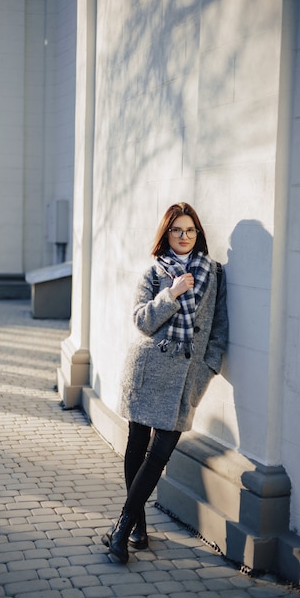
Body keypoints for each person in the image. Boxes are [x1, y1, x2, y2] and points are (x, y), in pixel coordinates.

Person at [102, 202, 228, 563]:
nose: (184, 236)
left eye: (190, 230)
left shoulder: (213, 273)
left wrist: (204, 373)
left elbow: (218, 332)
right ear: (166, 234)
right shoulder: (155, 273)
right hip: (147, 370)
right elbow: (141, 320)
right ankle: (135, 527)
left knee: (160, 453)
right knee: (137, 444)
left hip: (184, 377)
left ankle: (121, 527)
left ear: (198, 234)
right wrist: (171, 293)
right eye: (177, 230)